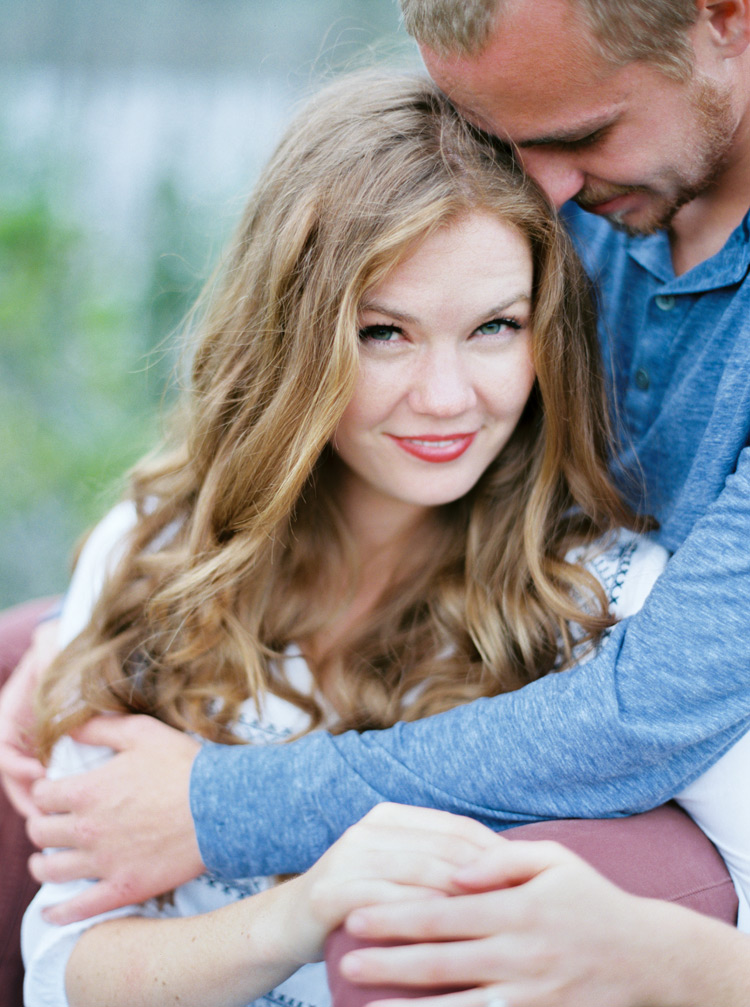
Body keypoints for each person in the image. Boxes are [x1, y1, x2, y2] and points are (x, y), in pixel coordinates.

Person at [4, 0, 750, 998]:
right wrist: (81, 638)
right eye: (384, 332)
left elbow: (641, 715)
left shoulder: (601, 596)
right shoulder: (561, 176)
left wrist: (221, 806)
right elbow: (64, 966)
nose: (545, 190)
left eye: (495, 327)